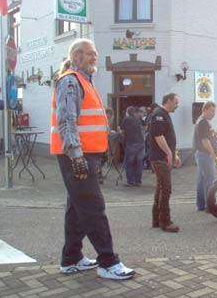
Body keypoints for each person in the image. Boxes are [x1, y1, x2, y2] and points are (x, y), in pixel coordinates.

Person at [50, 38, 134, 280]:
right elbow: (67, 121)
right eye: (89, 54)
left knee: (77, 208)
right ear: (76, 56)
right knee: (93, 207)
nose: (94, 57)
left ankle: (71, 258)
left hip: (86, 154)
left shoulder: (83, 81)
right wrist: (76, 157)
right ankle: (108, 262)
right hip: (77, 156)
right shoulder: (70, 80)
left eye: (95, 54)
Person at [149, 93, 181, 232]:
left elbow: (168, 137)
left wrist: (175, 155)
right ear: (168, 101)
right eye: (175, 102)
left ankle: (157, 219)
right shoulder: (159, 115)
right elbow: (159, 136)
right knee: (166, 189)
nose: (177, 105)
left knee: (160, 189)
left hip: (163, 157)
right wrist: (169, 153)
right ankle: (165, 222)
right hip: (160, 158)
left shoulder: (163, 114)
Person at [193, 101, 216, 212]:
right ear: (205, 110)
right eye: (211, 111)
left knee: (201, 181)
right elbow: (204, 140)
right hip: (205, 155)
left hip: (200, 154)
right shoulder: (203, 123)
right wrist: (212, 152)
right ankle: (209, 206)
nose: (213, 113)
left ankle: (201, 205)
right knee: (209, 181)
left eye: (214, 111)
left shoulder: (200, 121)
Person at [120, 106, 145, 186]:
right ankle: (138, 181)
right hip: (141, 143)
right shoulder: (138, 119)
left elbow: (122, 131)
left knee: (129, 163)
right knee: (139, 163)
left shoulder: (126, 119)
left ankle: (130, 182)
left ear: (127, 112)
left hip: (132, 143)